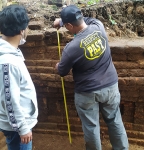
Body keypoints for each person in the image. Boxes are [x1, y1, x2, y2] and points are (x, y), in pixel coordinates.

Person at [54, 5, 129, 150]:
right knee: (115, 120)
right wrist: (63, 21)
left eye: (66, 25)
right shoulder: (98, 26)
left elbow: (62, 71)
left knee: (91, 126)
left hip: (87, 92)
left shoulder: (71, 48)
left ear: (69, 25)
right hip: (110, 86)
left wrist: (57, 66)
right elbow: (90, 19)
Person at [0, 5, 38, 150]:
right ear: (22, 31)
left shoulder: (10, 53)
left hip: (15, 122)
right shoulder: (9, 62)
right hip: (16, 126)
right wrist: (23, 128)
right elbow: (9, 99)